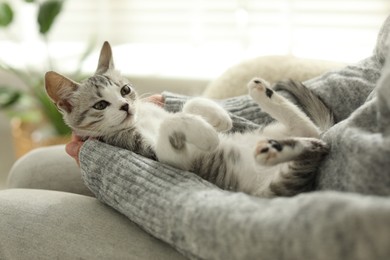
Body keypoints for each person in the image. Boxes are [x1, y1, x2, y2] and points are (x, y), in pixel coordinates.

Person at [2, 16, 390, 260]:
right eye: (103, 105)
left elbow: (179, 152)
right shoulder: (127, 114)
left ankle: (306, 145)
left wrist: (105, 164)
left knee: (7, 214)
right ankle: (305, 139)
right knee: (32, 166)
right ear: (68, 107)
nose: (123, 106)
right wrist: (195, 108)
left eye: (124, 93)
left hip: (259, 211)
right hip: (259, 152)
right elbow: (374, 71)